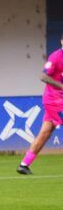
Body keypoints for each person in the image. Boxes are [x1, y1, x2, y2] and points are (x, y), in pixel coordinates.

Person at [17, 34, 63, 175]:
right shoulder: (55, 57)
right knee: (45, 132)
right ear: (61, 41)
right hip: (54, 100)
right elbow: (43, 76)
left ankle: (24, 165)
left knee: (45, 133)